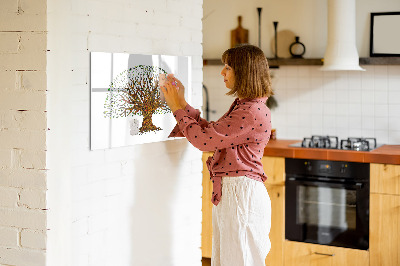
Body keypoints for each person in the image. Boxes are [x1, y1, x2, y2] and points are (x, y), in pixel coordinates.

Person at [161, 44, 273, 266]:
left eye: (228, 67)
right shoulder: (246, 106)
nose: (222, 72)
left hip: (241, 195)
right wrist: (182, 103)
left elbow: (204, 141)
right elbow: (212, 133)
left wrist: (176, 108)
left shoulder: (250, 111)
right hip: (236, 193)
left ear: (244, 72)